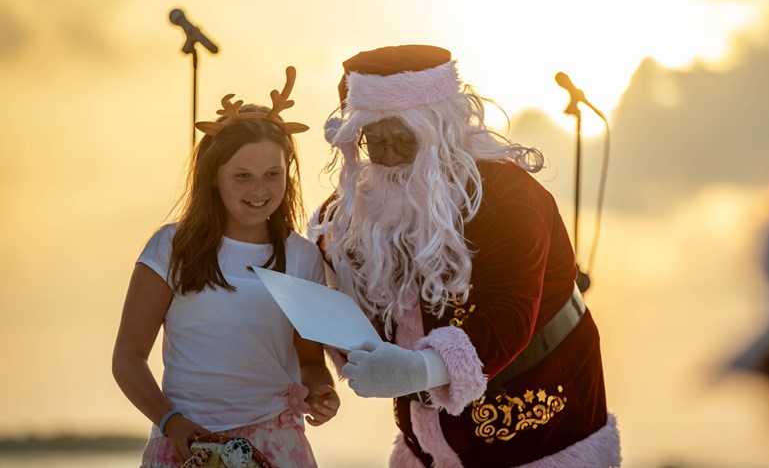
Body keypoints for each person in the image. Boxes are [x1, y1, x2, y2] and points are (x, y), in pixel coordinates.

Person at [311, 45, 621, 467]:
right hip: (427, 447)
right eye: (373, 142)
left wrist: (420, 372)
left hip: (540, 439)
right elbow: (325, 281)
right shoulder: (355, 209)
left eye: (402, 138)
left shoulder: (510, 196)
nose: (387, 158)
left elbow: (509, 312)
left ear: (439, 129)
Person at [113, 66, 340, 468]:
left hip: (277, 444)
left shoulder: (303, 257)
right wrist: (171, 422)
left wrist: (322, 393)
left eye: (273, 175)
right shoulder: (172, 247)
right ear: (213, 177)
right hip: (184, 443)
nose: (259, 190)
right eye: (242, 176)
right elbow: (128, 358)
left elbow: (309, 361)